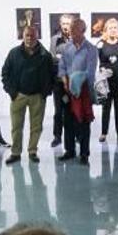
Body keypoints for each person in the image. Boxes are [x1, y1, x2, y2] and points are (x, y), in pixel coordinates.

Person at [0, 25, 55, 165]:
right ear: (22, 36)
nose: (29, 38)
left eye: (32, 35)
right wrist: (12, 92)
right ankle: (16, 153)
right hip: (18, 96)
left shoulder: (45, 55)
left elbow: (52, 75)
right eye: (27, 35)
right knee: (16, 126)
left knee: (36, 126)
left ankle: (32, 151)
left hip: (37, 97)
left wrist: (45, 93)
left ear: (37, 36)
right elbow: (5, 73)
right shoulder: (14, 53)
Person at [58, 18, 98, 165]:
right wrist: (65, 82)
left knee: (84, 122)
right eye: (71, 28)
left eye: (75, 29)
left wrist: (76, 82)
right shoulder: (67, 48)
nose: (71, 31)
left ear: (83, 30)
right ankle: (69, 151)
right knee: (67, 121)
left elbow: (90, 72)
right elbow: (61, 68)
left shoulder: (91, 49)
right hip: (67, 90)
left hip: (83, 91)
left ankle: (84, 153)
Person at [95, 18, 118, 144]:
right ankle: (103, 133)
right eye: (110, 28)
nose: (113, 30)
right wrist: (99, 75)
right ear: (106, 29)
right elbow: (94, 60)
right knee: (106, 107)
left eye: (115, 27)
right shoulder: (101, 43)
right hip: (106, 82)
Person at [50, 14, 74, 147]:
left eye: (68, 23)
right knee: (58, 111)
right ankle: (57, 136)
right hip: (58, 82)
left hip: (73, 82)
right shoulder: (55, 39)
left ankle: (74, 135)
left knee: (73, 110)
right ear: (60, 24)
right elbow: (52, 60)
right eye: (63, 23)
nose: (65, 26)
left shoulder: (77, 39)